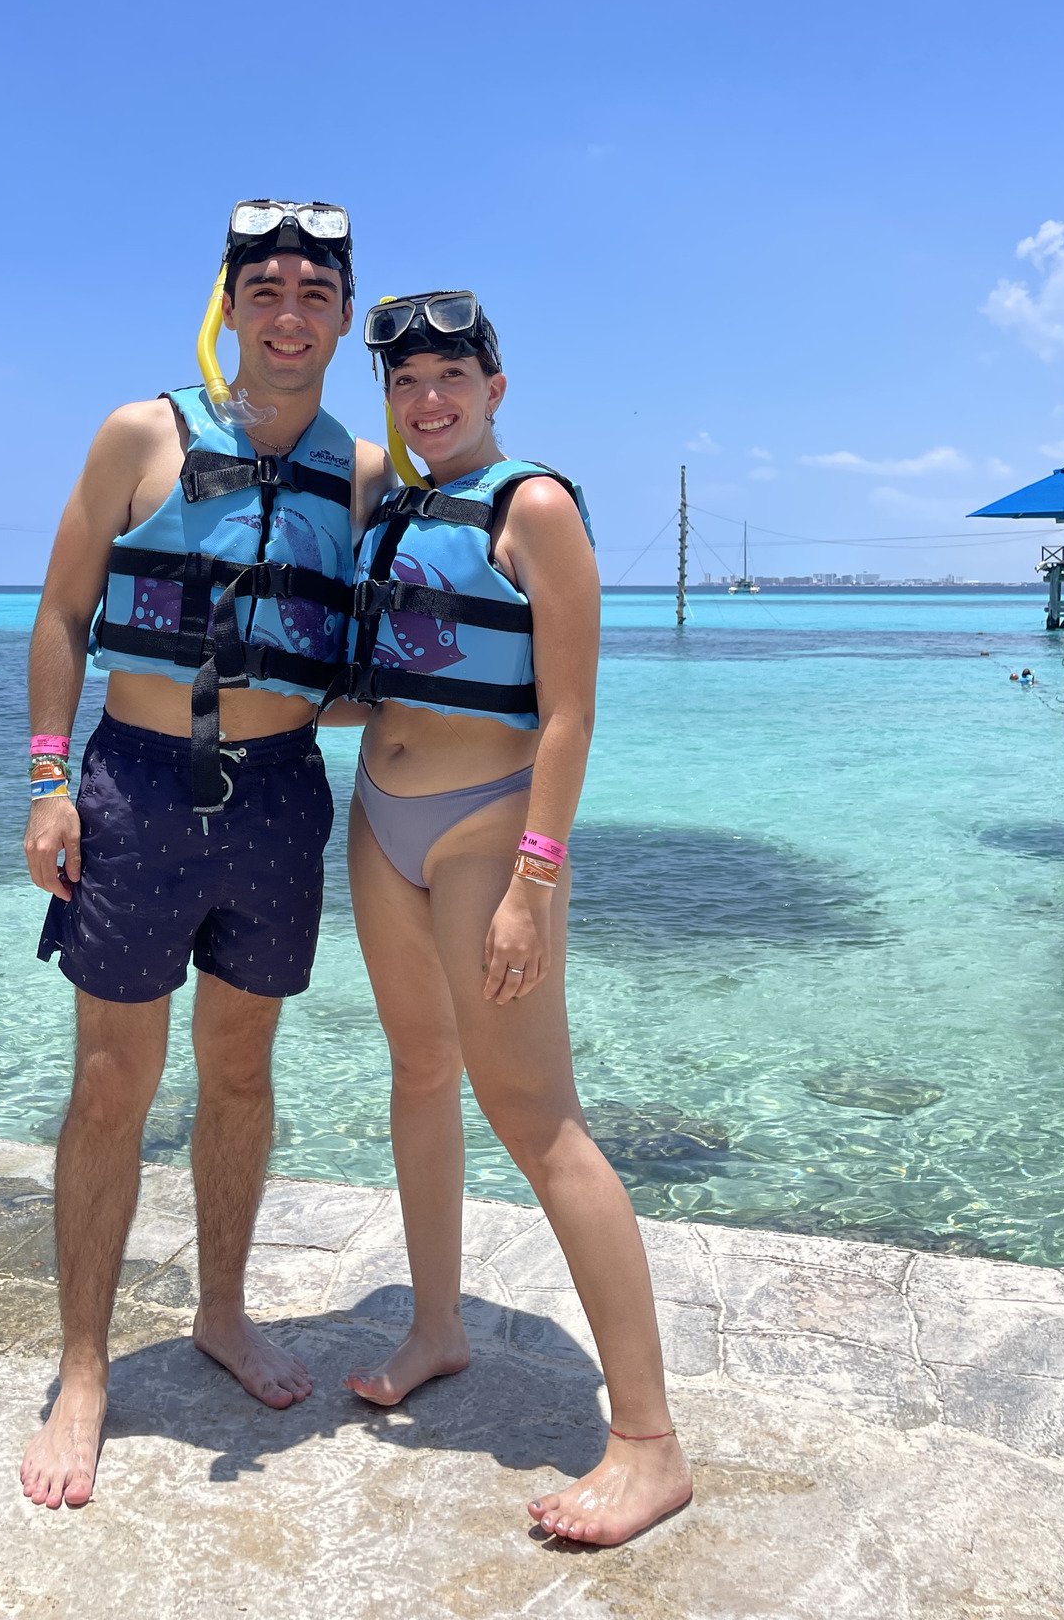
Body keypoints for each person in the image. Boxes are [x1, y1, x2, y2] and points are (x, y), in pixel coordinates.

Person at [18, 201, 389, 1511]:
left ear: (345, 319)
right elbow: (66, 612)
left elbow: (373, 666)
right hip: (133, 788)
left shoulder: (360, 476)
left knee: (239, 1077)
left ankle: (222, 1313)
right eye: (266, 290)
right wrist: (49, 783)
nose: (290, 313)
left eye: (315, 294)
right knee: (113, 1087)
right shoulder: (145, 434)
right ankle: (83, 1365)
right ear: (231, 307)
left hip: (281, 798)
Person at [338, 290, 693, 1546]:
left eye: (450, 377)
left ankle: (649, 1441)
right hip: (377, 820)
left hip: (491, 830)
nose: (427, 400)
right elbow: (385, 673)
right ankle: (437, 1325)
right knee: (420, 1072)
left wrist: (537, 884)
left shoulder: (529, 507)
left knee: (540, 1120)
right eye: (405, 383)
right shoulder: (393, 511)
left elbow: (568, 714)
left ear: (496, 385)